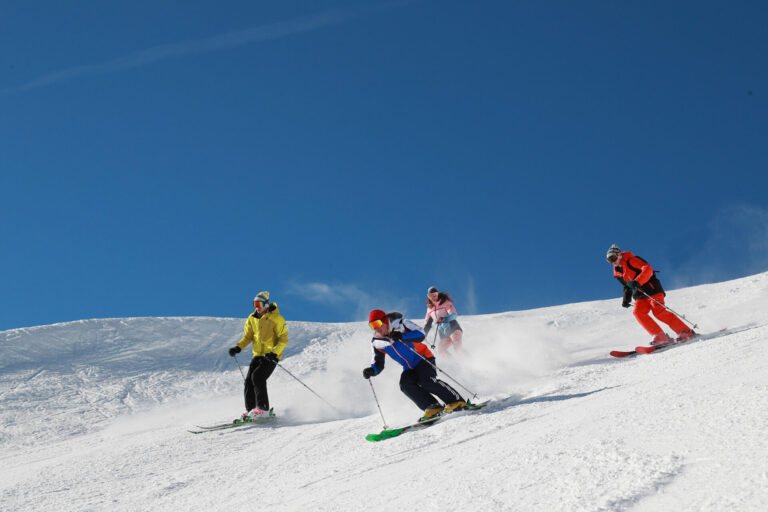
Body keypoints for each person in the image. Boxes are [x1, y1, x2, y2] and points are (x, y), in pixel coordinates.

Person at [362, 309, 466, 421]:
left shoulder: (401, 324)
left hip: (423, 358)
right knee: (405, 385)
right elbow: (378, 363)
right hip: (409, 367)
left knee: (426, 381)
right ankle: (433, 407)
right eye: (372, 326)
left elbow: (421, 334)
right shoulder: (377, 342)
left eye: (377, 323)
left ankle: (456, 401)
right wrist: (372, 370)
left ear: (385, 321)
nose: (376, 328)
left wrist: (402, 336)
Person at [606, 244, 696, 344]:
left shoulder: (631, 260)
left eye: (613, 258)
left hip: (652, 287)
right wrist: (626, 300)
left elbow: (647, 268)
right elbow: (627, 286)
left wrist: (637, 281)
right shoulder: (618, 272)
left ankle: (685, 332)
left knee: (658, 311)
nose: (613, 262)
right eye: (609, 260)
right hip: (640, 293)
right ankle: (660, 336)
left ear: (619, 255)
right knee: (638, 312)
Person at [227, 291, 289, 421]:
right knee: (249, 381)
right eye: (255, 304)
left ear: (266, 304)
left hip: (271, 356)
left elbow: (283, 340)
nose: (257, 307)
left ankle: (263, 409)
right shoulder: (252, 318)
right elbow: (248, 337)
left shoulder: (276, 319)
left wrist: (274, 352)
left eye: (259, 303)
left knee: (258, 377)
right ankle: (251, 411)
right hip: (258, 355)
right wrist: (238, 347)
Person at [423, 286, 465, 358]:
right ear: (428, 296)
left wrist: (444, 319)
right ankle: (453, 364)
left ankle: (471, 362)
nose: (433, 297)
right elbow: (428, 324)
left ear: (438, 294)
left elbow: (454, 315)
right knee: (441, 349)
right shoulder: (430, 309)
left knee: (457, 348)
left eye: (435, 294)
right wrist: (424, 335)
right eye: (431, 295)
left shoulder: (445, 303)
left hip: (453, 328)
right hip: (443, 333)